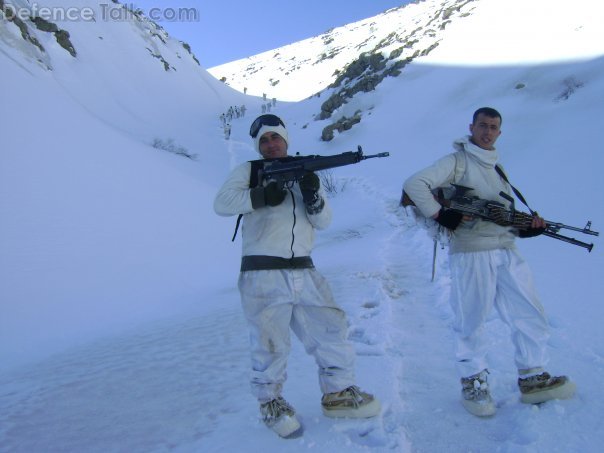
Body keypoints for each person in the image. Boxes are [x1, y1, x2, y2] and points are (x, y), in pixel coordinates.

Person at [214, 114, 381, 437]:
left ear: (286, 140)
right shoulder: (249, 171)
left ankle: (338, 393)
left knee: (331, 329)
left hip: (304, 266)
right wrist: (261, 196)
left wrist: (313, 195)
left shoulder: (306, 170)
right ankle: (271, 403)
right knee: (270, 342)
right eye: (264, 140)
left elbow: (323, 222)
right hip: (262, 272)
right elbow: (222, 203)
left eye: (275, 138)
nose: (271, 144)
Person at [402, 107, 575, 417]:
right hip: (472, 252)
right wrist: (442, 215)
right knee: (471, 319)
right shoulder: (457, 161)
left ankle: (533, 374)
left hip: (505, 249)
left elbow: (499, 215)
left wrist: (526, 228)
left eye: (493, 127)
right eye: (482, 125)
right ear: (472, 127)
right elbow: (414, 184)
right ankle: (474, 381)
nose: (487, 131)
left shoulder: (497, 167)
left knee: (529, 312)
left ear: (499, 132)